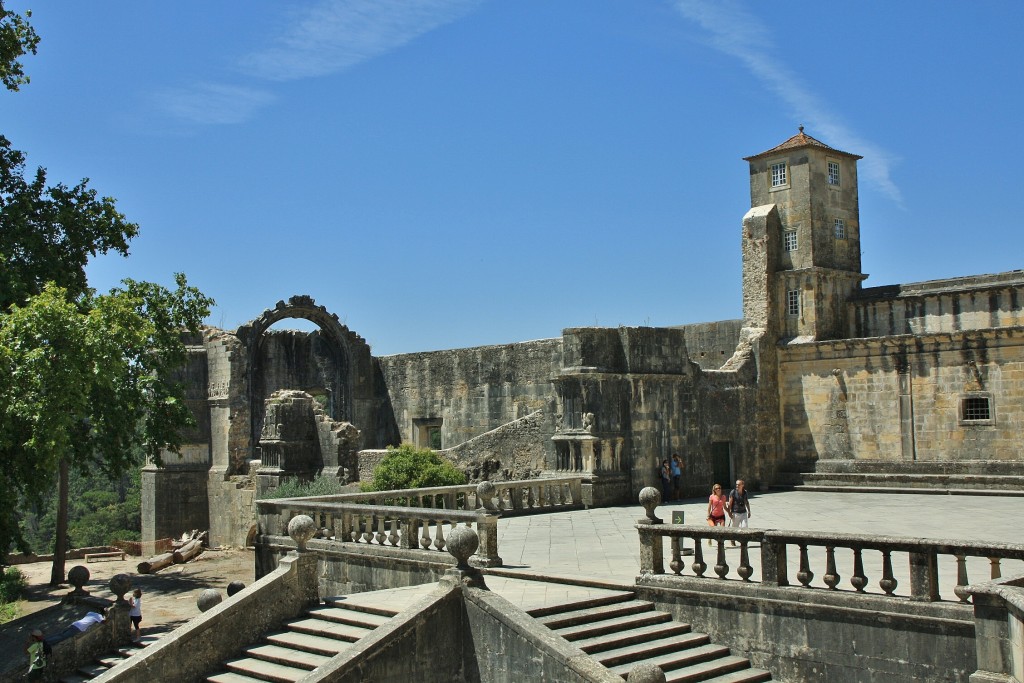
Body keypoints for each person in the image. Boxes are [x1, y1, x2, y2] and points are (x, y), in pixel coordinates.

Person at [726, 479, 752, 546]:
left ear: (742, 485)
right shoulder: (733, 492)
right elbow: (730, 503)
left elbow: (746, 501)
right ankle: (732, 539)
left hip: (743, 512)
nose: (737, 485)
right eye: (736, 484)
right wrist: (729, 513)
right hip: (736, 513)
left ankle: (743, 541)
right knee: (735, 528)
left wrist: (749, 511)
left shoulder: (745, 492)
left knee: (745, 527)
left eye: (739, 484)